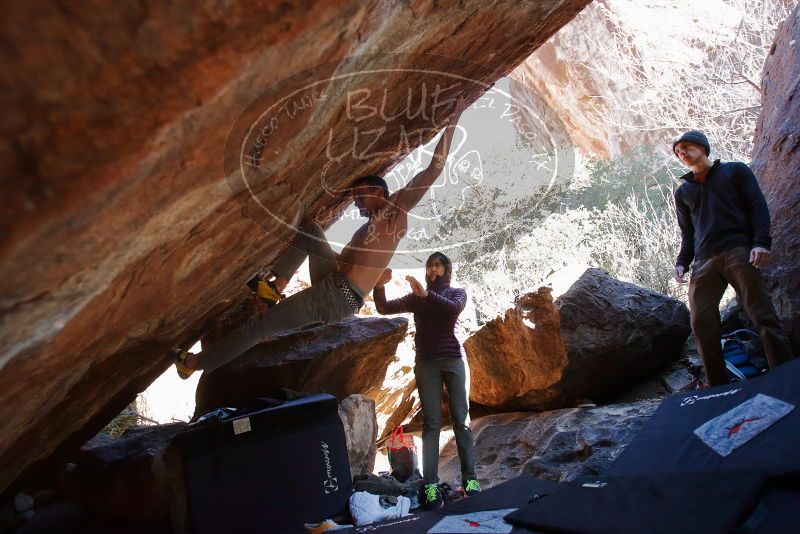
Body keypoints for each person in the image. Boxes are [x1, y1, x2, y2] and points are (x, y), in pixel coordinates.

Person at [173, 96, 470, 377]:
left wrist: (455, 117)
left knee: (259, 327)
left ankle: (194, 364)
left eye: (359, 195)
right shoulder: (362, 232)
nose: (355, 202)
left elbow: (434, 168)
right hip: (333, 283)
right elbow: (344, 264)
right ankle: (273, 288)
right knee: (310, 229)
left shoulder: (396, 212)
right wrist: (374, 274)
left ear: (380, 191)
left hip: (337, 298)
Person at [672, 130, 793, 386]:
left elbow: (757, 206)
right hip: (703, 262)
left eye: (686, 147)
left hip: (738, 249)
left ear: (702, 147)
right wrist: (682, 261)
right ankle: (718, 387)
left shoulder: (735, 171)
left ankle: (785, 378)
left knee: (761, 313)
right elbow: (688, 232)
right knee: (701, 322)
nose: (681, 153)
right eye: (678, 151)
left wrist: (761, 243)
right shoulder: (683, 191)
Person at [373, 253, 479, 510]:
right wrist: (379, 285)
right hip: (427, 364)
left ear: (446, 269)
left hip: (454, 360)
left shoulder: (457, 293)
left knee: (461, 421)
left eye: (438, 265)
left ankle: (471, 482)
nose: (433, 269)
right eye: (430, 265)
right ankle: (431, 485)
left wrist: (426, 295)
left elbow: (451, 309)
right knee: (431, 424)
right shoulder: (416, 297)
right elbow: (384, 308)